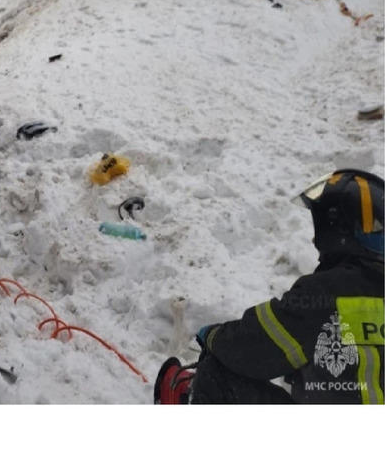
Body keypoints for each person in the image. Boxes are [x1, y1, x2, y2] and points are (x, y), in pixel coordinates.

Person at [155, 169, 385, 404]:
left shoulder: (326, 292)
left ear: (333, 228)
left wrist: (213, 337)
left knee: (217, 373)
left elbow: (251, 346)